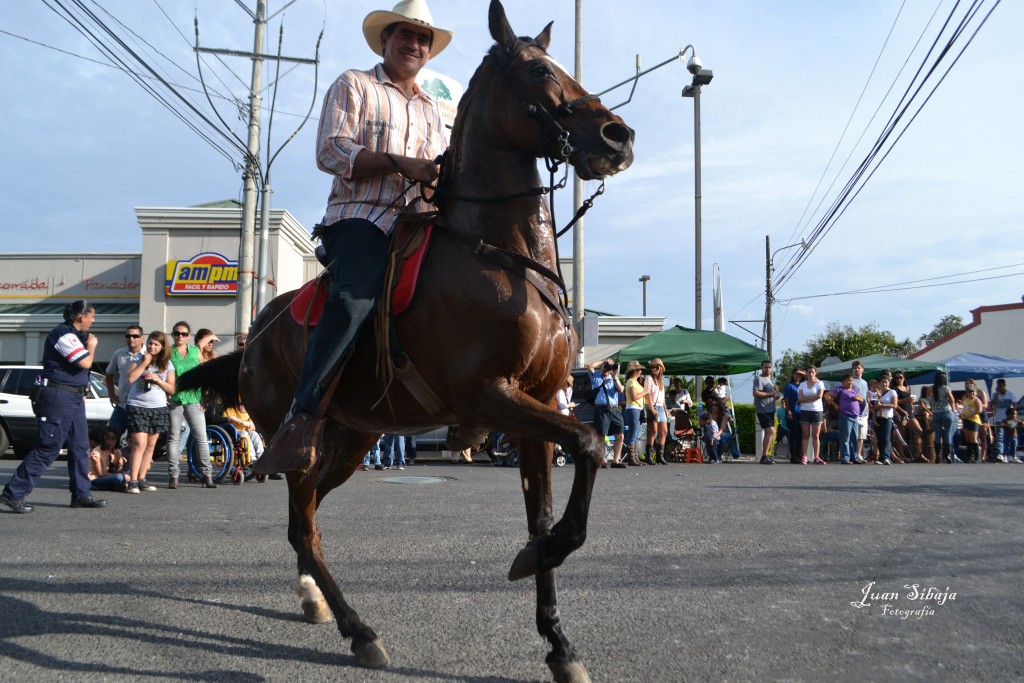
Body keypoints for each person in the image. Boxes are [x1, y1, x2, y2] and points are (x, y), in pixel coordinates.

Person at [260, 0, 453, 474]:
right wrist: (397, 162)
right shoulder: (355, 84)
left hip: (419, 220)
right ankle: (302, 415)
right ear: (384, 40)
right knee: (355, 296)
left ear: (429, 52)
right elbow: (331, 150)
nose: (414, 44)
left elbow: (439, 170)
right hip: (359, 216)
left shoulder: (433, 110)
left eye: (422, 39)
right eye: (404, 35)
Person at [1, 300, 107, 512]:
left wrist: (81, 391)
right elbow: (85, 363)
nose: (93, 320)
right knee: (49, 446)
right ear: (80, 316)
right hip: (58, 397)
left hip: (73, 397)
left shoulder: (74, 335)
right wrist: (92, 347)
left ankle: (81, 495)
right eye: (91, 316)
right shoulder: (64, 334)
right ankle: (13, 494)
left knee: (79, 447)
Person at [165, 321, 216, 489]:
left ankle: (207, 474)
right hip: (176, 398)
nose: (180, 336)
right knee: (173, 438)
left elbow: (204, 374)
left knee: (201, 437)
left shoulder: (195, 351)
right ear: (172, 335)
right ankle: (174, 475)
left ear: (189, 336)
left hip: (194, 398)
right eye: (177, 333)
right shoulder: (168, 352)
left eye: (184, 333)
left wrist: (205, 397)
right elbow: (162, 372)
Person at [125, 331, 175, 493]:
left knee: (150, 446)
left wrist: (158, 380)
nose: (152, 347)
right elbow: (131, 378)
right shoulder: (138, 358)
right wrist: (144, 362)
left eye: (156, 344)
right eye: (151, 343)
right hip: (137, 406)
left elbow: (172, 388)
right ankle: (132, 481)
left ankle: (142, 479)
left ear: (162, 347)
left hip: (158, 407)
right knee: (139, 444)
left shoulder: (167, 364)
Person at [105, 325, 144, 452]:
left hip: (140, 407)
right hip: (122, 405)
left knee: (136, 442)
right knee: (111, 436)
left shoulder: (148, 355)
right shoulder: (119, 354)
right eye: (128, 336)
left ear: (142, 338)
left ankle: (134, 469)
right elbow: (109, 374)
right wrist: (111, 394)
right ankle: (110, 466)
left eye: (135, 336)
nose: (131, 338)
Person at [588, 358, 627, 468]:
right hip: (602, 409)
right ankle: (602, 459)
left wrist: (615, 378)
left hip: (614, 409)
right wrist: (603, 361)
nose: (606, 369)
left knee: (620, 435)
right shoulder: (596, 376)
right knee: (601, 435)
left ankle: (616, 460)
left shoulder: (613, 378)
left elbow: (620, 390)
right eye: (604, 367)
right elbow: (590, 365)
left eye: (608, 367)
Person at [831, 374, 866, 464]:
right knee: (845, 437)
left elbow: (862, 399)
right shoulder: (840, 389)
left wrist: (858, 398)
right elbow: (827, 395)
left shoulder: (855, 389)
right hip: (845, 416)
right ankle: (844, 458)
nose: (850, 382)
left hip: (855, 416)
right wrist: (835, 405)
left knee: (854, 437)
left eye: (851, 380)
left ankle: (853, 457)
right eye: (848, 380)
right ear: (843, 382)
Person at [891, 372, 926, 462]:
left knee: (919, 431)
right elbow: (895, 402)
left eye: (900, 377)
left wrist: (912, 405)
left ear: (904, 378)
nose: (899, 379)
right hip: (901, 413)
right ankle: (902, 456)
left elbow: (910, 398)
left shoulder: (907, 387)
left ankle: (918, 453)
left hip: (910, 413)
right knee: (901, 436)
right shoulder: (895, 389)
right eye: (896, 378)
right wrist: (905, 400)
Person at [797, 365, 826, 465]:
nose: (810, 374)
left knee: (815, 435)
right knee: (805, 435)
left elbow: (819, 396)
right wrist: (810, 399)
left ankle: (816, 456)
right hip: (805, 410)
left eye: (812, 372)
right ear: (806, 373)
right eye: (809, 372)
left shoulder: (820, 383)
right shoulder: (802, 384)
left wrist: (806, 399)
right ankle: (804, 456)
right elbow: (800, 398)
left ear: (815, 372)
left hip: (817, 411)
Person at [644, 358, 669, 465]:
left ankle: (660, 456)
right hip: (652, 406)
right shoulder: (649, 378)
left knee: (664, 431)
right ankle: (649, 456)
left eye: (657, 367)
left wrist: (666, 409)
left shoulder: (661, 382)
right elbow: (647, 395)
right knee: (654, 431)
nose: (654, 369)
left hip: (660, 407)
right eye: (652, 367)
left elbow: (662, 397)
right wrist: (652, 409)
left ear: (661, 369)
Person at [753, 360, 778, 465]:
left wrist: (776, 395)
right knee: (771, 431)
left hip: (770, 409)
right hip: (763, 409)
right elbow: (755, 393)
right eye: (766, 367)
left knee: (769, 432)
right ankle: (764, 456)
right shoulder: (759, 378)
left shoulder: (770, 379)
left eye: (769, 367)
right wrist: (770, 393)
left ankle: (765, 456)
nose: (768, 369)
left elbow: (773, 394)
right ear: (762, 368)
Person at [622, 361, 648, 466]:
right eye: (639, 370)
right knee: (633, 434)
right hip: (633, 408)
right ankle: (632, 458)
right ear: (636, 371)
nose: (641, 372)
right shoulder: (631, 382)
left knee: (637, 434)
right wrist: (645, 392)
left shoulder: (635, 382)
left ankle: (635, 457)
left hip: (638, 408)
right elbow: (634, 397)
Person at [89, 427, 129, 492]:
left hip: (108, 476)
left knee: (130, 473)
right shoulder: (96, 452)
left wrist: (119, 460)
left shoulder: (115, 451)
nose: (110, 442)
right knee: (119, 477)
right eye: (107, 439)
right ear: (102, 439)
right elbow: (101, 473)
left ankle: (116, 486)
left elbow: (118, 470)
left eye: (113, 439)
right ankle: (119, 484)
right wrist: (123, 477)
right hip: (94, 480)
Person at [990, 379, 1018, 462]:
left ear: (1004, 385)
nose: (1000, 387)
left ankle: (1011, 455)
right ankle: (1000, 454)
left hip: (1008, 420)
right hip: (999, 419)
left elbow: (1015, 405)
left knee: (1011, 437)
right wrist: (997, 394)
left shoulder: (1010, 394)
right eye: (998, 385)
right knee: (1000, 437)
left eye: (1001, 386)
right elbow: (993, 404)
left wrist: (1013, 417)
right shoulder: (995, 394)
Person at [874, 375, 899, 465]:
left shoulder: (892, 392)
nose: (884, 384)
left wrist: (881, 406)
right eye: (882, 382)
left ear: (889, 383)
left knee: (886, 437)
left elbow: (894, 405)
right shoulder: (878, 393)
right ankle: (881, 457)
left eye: (886, 382)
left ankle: (886, 457)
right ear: (879, 383)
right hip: (877, 416)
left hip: (887, 417)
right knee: (879, 438)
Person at [783, 368, 805, 464]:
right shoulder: (789, 386)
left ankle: (800, 454)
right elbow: (786, 400)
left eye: (800, 375)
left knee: (801, 434)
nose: (798, 376)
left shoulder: (803, 385)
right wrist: (788, 412)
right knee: (793, 434)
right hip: (793, 412)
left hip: (802, 412)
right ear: (792, 374)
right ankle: (794, 456)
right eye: (796, 374)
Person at [850, 361, 870, 463]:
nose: (857, 370)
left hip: (864, 412)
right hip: (854, 411)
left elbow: (866, 397)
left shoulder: (865, 382)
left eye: (858, 368)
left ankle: (859, 454)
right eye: (855, 368)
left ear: (862, 369)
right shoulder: (851, 381)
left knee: (862, 435)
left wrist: (868, 408)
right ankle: (852, 454)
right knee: (854, 434)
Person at [959, 385, 984, 463]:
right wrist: (962, 414)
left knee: (973, 439)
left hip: (973, 420)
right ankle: (970, 456)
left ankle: (977, 457)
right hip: (965, 420)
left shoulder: (976, 400)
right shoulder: (966, 400)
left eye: (973, 391)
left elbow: (979, 410)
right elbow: (964, 408)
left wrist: (970, 415)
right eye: (970, 392)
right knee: (968, 439)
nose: (971, 393)